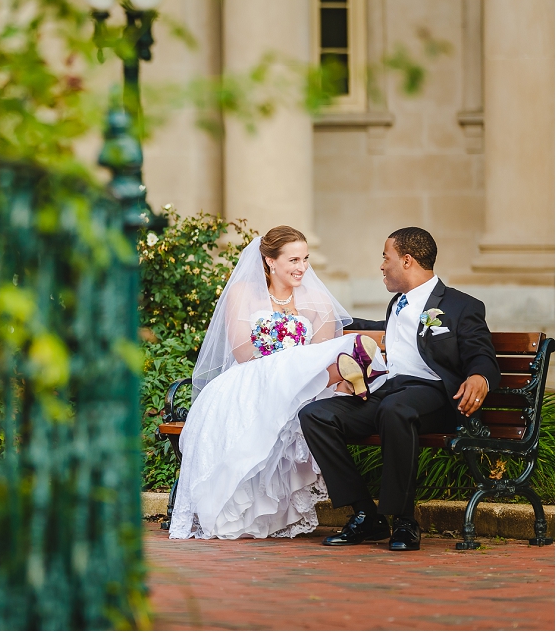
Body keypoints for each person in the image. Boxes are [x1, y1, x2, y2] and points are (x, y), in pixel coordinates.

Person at [168, 226, 386, 540]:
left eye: (306, 259)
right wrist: (280, 347)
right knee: (306, 365)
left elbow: (321, 352)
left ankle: (349, 374)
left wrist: (305, 363)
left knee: (341, 350)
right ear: (270, 261)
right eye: (293, 260)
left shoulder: (317, 299)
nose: (302, 267)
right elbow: (242, 352)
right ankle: (348, 377)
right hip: (255, 376)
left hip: (304, 382)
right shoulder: (243, 292)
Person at [298, 227, 500, 551]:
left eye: (385, 257)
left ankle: (404, 521)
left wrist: (479, 377)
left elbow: (482, 355)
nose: (381, 265)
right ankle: (366, 515)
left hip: (432, 394)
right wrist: (330, 322)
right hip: (390, 390)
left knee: (396, 410)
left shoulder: (462, 306)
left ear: (406, 261)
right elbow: (388, 332)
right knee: (315, 415)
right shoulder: (397, 304)